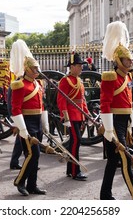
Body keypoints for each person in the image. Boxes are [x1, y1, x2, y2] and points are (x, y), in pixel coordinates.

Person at [99, 21, 133, 200]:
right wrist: (109, 130)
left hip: (123, 123)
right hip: (114, 123)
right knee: (125, 161)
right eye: (127, 59)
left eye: (130, 59)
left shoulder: (127, 78)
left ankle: (105, 194)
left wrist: (129, 127)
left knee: (113, 161)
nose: (131, 61)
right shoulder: (111, 77)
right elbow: (105, 104)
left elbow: (127, 104)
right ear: (118, 60)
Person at [10, 39, 46, 196]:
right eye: (34, 68)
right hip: (27, 123)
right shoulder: (19, 85)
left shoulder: (38, 84)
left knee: (36, 158)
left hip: (37, 122)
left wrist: (45, 125)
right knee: (33, 154)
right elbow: (15, 108)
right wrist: (22, 129)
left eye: (37, 68)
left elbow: (41, 105)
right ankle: (20, 181)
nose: (37, 70)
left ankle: (32, 185)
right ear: (27, 69)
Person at [57, 52, 90, 180]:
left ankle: (70, 170)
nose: (82, 67)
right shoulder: (65, 81)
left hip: (79, 115)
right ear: (72, 66)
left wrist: (86, 113)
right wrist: (65, 116)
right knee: (76, 141)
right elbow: (61, 100)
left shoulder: (79, 80)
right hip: (70, 115)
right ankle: (76, 171)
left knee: (74, 142)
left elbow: (82, 100)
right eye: (79, 65)